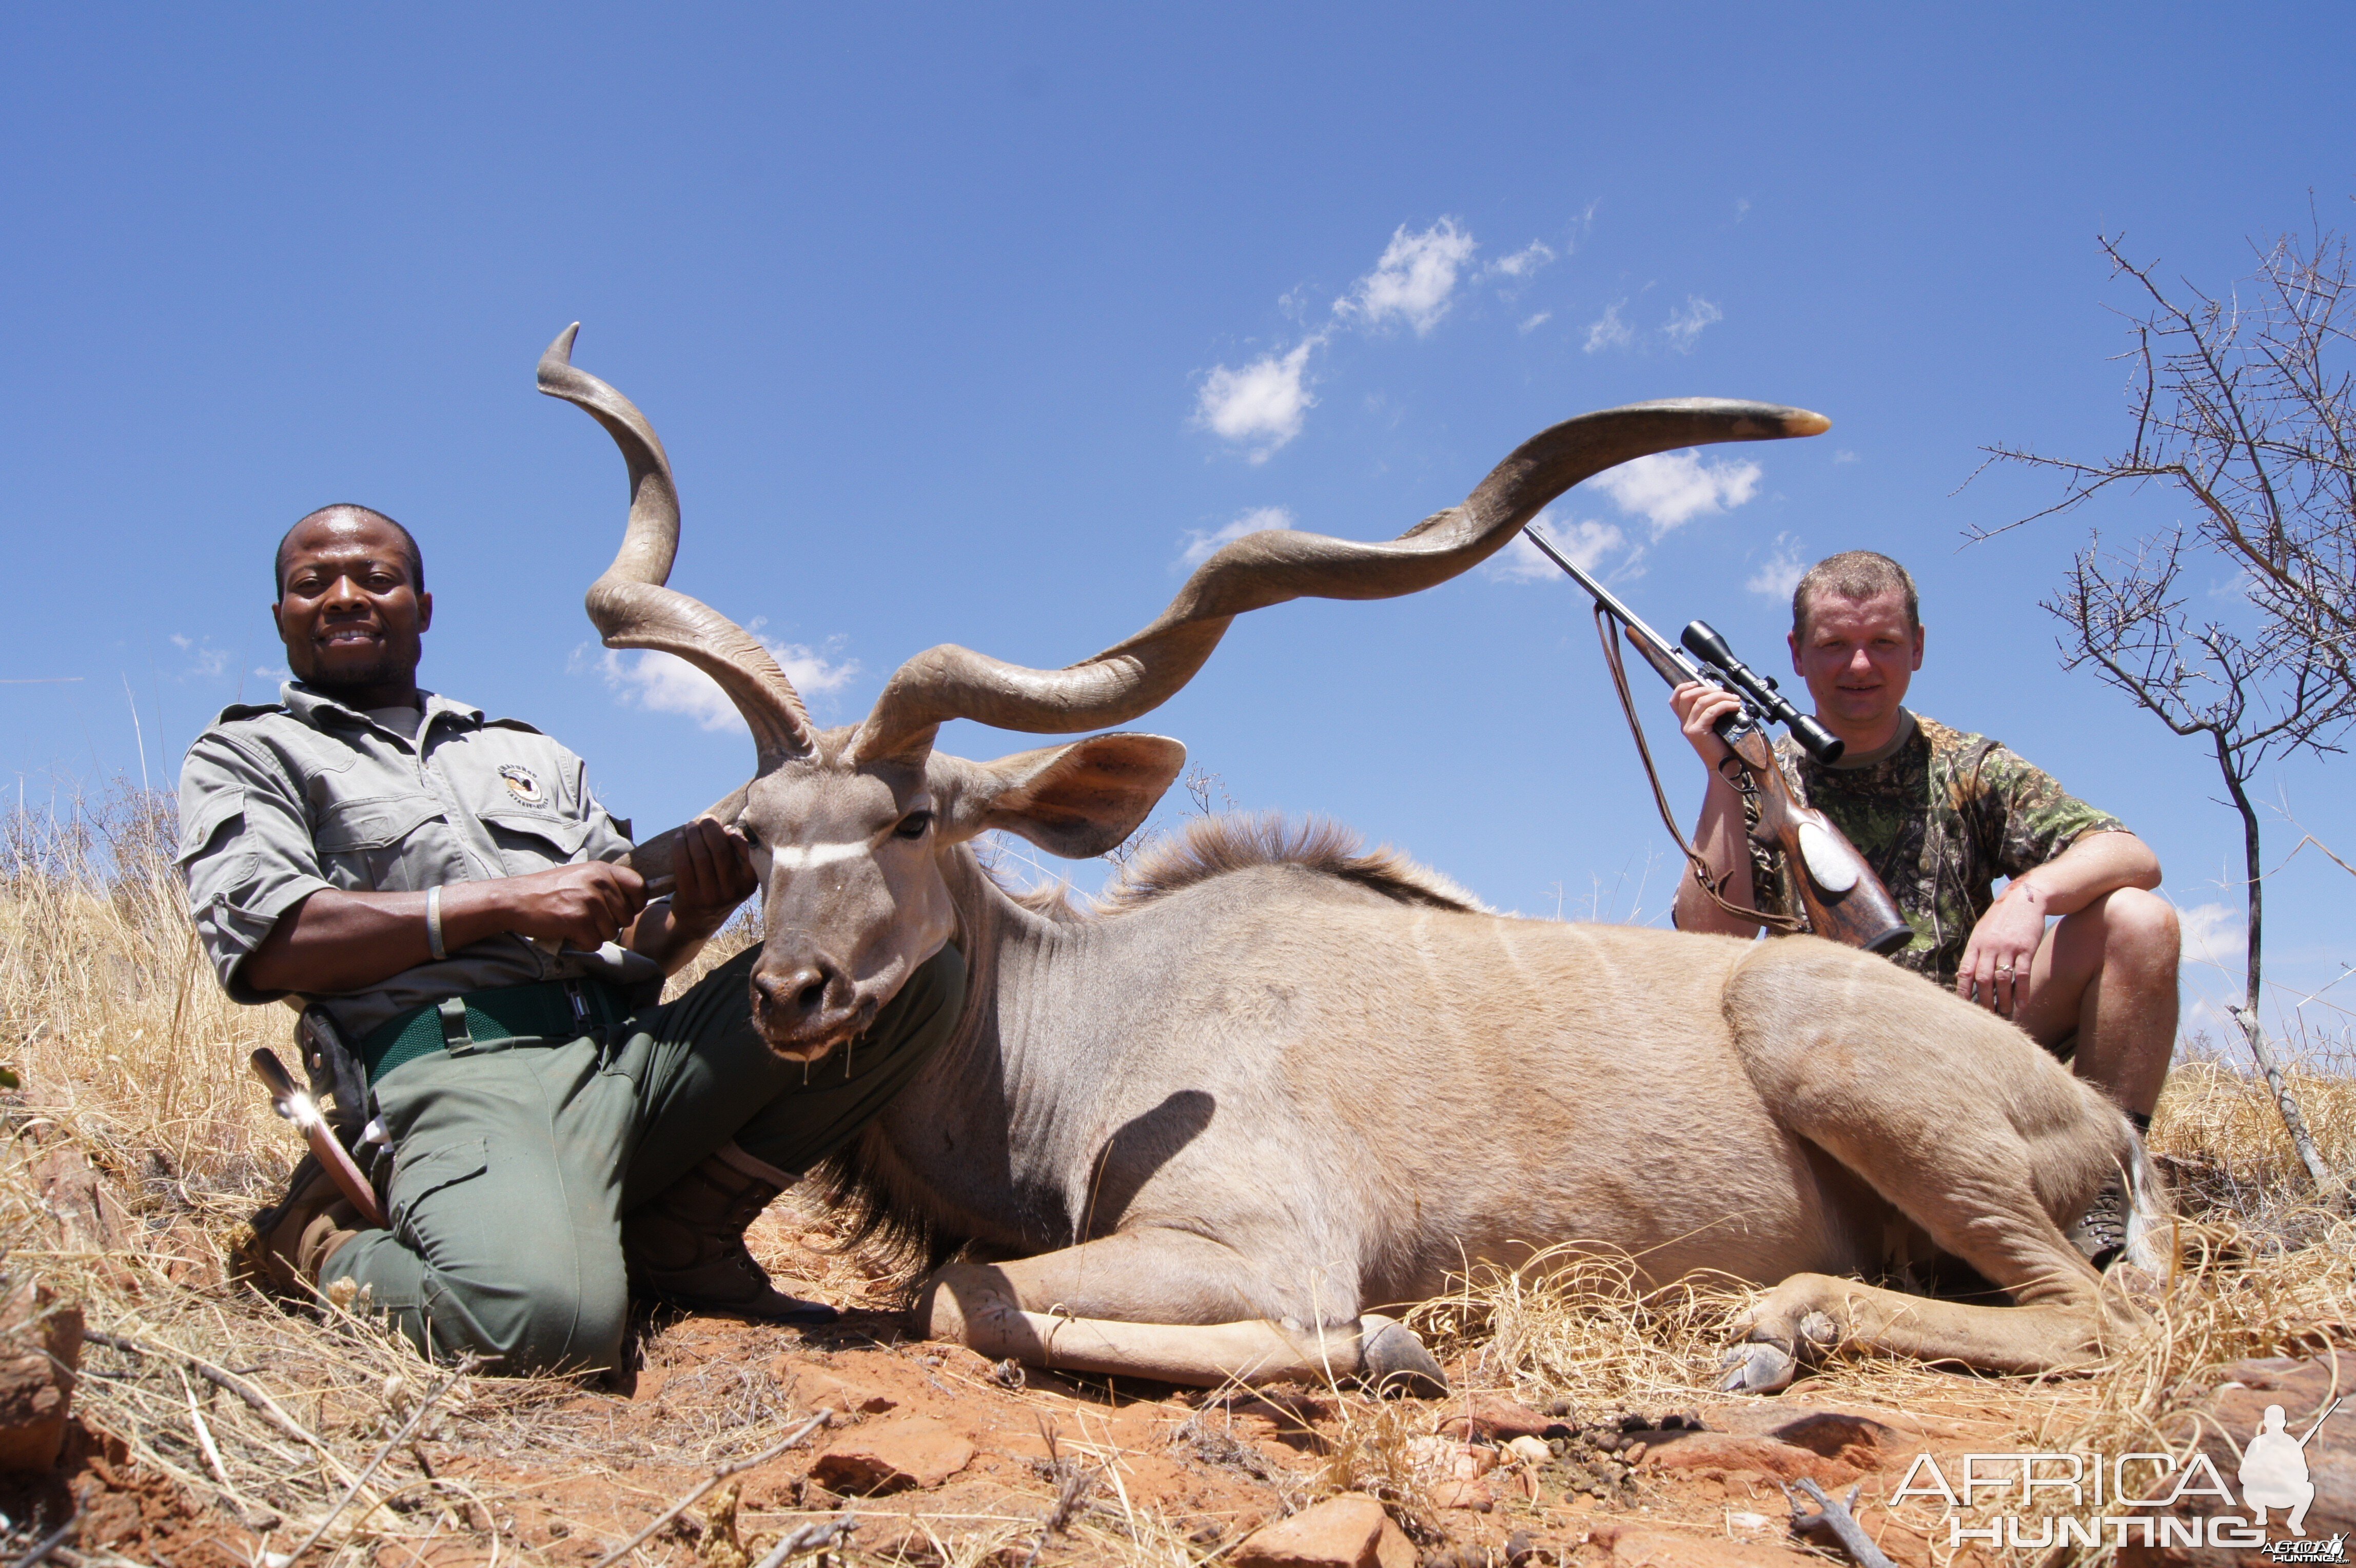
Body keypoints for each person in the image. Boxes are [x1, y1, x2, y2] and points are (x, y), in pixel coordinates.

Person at [177, 504, 965, 1373]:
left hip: (617, 1060)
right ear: (281, 615)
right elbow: (272, 940)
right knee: (546, 1324)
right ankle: (319, 1247)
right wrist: (504, 903)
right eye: (312, 583)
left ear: (423, 606)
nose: (343, 596)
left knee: (918, 979)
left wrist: (694, 912)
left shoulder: (530, 755)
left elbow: (621, 945)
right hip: (457, 1078)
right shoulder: (251, 752)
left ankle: (680, 1240)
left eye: (375, 578)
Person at [1667, 552, 2178, 1250]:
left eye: (1882, 644)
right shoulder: (1763, 776)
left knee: (2140, 920)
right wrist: (1726, 775)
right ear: (1796, 654)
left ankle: (2104, 1188)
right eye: (1833, 646)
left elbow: (2132, 855)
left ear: (1918, 649)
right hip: (1823, 1063)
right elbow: (1703, 939)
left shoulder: (1967, 763)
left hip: (1970, 1039)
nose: (1858, 667)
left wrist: (2031, 895)